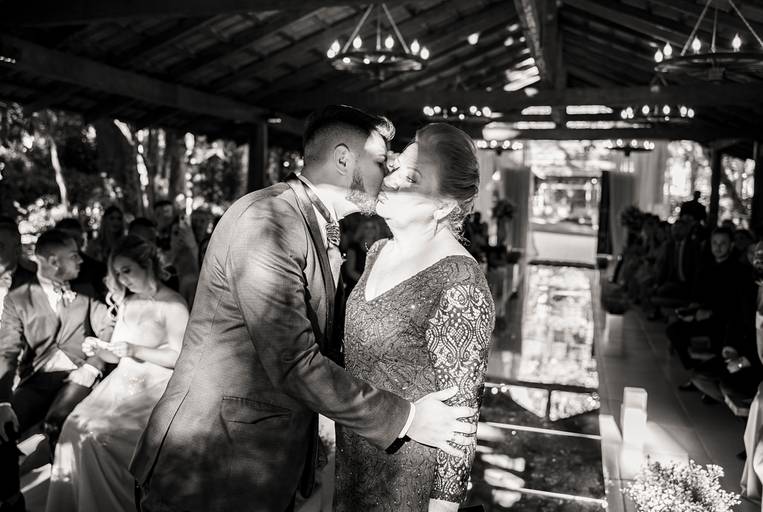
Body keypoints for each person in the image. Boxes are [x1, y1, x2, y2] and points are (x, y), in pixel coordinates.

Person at [130, 105, 476, 511]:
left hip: (254, 464)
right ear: (344, 159)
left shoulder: (308, 221)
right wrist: (407, 418)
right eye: (382, 161)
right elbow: (294, 362)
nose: (388, 175)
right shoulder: (267, 222)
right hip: (210, 463)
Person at [335, 123, 495, 512]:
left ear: (443, 205)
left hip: (406, 484)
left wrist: (442, 508)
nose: (390, 180)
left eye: (412, 178)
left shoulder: (459, 282)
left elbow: (461, 426)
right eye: (395, 168)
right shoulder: (379, 250)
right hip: (354, 465)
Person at [46, 235, 188, 512]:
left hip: (154, 390)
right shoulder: (128, 303)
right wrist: (99, 348)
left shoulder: (173, 304)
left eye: (127, 270)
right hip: (118, 386)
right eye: (117, 273)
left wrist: (135, 349)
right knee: (73, 426)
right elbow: (116, 354)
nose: (122, 279)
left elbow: (181, 357)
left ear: (147, 265)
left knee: (98, 437)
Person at [0, 229, 114, 512]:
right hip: (37, 380)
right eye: (74, 255)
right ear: (53, 261)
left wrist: (93, 365)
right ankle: (11, 501)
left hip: (78, 376)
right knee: (3, 427)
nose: (81, 260)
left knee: (57, 423)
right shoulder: (17, 298)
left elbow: (108, 329)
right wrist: (2, 402)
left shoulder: (86, 290)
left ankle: (68, 499)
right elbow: (7, 351)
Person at [55, 217, 108, 300]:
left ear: (82, 241)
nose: (70, 243)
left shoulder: (98, 270)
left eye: (75, 238)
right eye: (64, 239)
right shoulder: (50, 269)